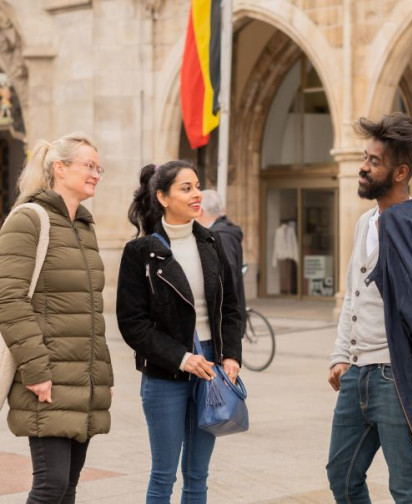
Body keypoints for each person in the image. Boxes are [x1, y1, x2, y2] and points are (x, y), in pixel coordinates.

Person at [116, 161, 242, 503]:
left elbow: (231, 307)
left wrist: (230, 355)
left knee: (198, 476)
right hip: (164, 373)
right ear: (163, 197)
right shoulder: (141, 252)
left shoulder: (211, 242)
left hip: (211, 372)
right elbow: (132, 323)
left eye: (197, 186)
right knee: (163, 476)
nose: (197, 194)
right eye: (186, 188)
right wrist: (182, 358)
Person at [0, 133, 113, 503]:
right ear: (59, 168)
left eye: (99, 167)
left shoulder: (83, 226)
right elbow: (9, 299)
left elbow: (88, 308)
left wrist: (100, 374)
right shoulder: (28, 219)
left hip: (83, 378)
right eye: (89, 165)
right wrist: (36, 370)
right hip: (47, 377)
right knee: (49, 487)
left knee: (67, 488)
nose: (96, 173)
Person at [326, 113, 412, 503]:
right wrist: (340, 355)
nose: (363, 167)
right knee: (342, 475)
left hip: (396, 378)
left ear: (400, 172)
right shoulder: (365, 221)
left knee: (407, 487)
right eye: (364, 158)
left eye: (374, 162)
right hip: (356, 375)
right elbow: (352, 293)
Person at [197, 189, 246, 335]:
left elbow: (226, 277)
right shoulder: (222, 232)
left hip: (223, 321)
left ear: (200, 210)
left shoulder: (221, 236)